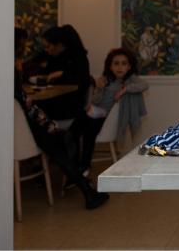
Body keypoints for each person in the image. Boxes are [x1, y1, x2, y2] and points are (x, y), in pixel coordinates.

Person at [14, 28, 109, 210]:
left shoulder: (11, 69)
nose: (24, 49)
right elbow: (26, 103)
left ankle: (82, 187)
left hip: (27, 122)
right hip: (28, 124)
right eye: (22, 45)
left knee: (59, 140)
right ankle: (86, 189)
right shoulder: (15, 69)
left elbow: (25, 102)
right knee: (58, 143)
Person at [69, 47, 146, 176]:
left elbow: (144, 85)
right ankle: (73, 163)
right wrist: (99, 88)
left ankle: (84, 165)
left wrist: (125, 89)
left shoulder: (130, 79)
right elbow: (96, 101)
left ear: (129, 67)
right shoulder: (106, 79)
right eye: (116, 63)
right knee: (75, 129)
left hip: (107, 120)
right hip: (95, 113)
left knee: (88, 132)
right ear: (110, 66)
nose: (120, 67)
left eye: (124, 63)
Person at [25, 24, 91, 120]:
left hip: (69, 104)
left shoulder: (78, 58)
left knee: (32, 111)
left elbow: (82, 83)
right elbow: (37, 63)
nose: (46, 50)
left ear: (59, 45)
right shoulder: (53, 56)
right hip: (53, 98)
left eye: (48, 47)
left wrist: (62, 74)